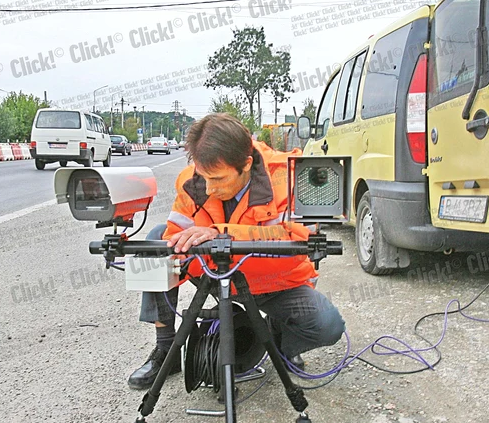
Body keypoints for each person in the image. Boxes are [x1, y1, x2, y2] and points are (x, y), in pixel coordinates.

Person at [128, 113, 346, 389]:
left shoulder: (289, 176)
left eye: (218, 179)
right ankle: (166, 351)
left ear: (246, 164)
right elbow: (175, 233)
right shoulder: (191, 180)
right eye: (204, 177)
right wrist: (169, 257)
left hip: (275, 284)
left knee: (328, 324)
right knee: (157, 242)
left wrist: (222, 233)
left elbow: (295, 240)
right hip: (214, 272)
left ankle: (280, 342)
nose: (208, 188)